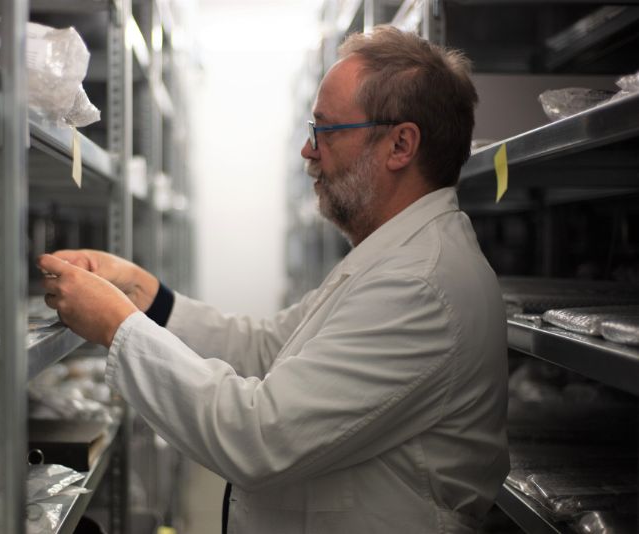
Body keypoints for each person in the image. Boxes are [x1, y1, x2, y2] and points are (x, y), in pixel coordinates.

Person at [38, 25, 509, 534]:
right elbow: (268, 348)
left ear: (400, 144)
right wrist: (143, 294)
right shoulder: (392, 258)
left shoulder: (420, 286)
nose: (308, 153)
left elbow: (258, 436)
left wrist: (117, 326)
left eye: (324, 132)